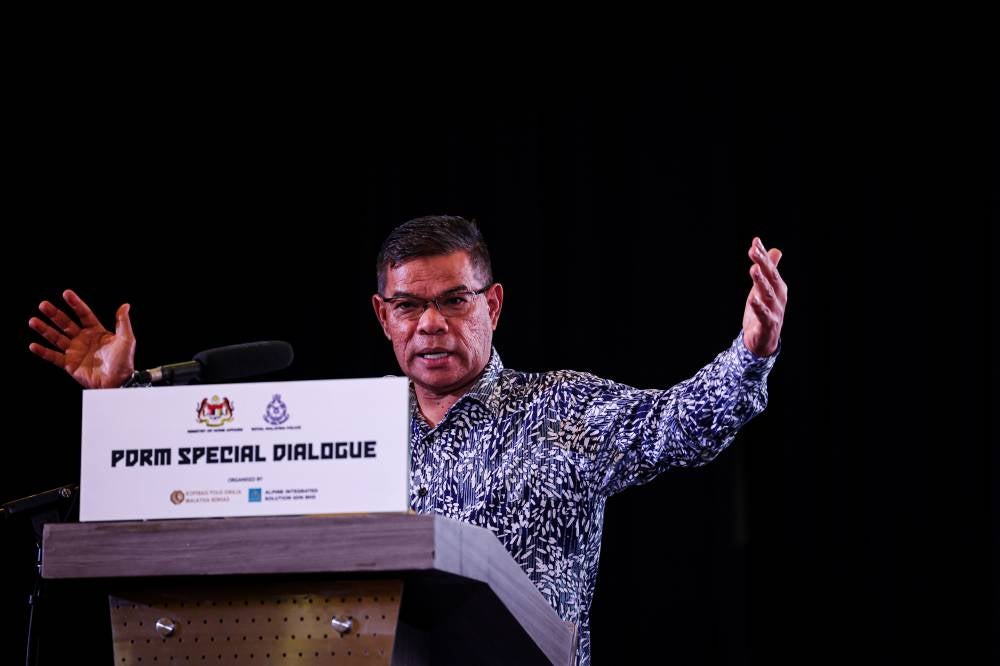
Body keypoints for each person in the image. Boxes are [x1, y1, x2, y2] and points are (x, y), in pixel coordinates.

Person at [28, 215, 787, 665]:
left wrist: (751, 347)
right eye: (408, 305)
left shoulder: (563, 406)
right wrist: (123, 401)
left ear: (491, 303)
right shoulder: (346, 429)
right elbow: (209, 488)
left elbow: (679, 425)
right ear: (381, 316)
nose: (429, 323)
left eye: (453, 301)